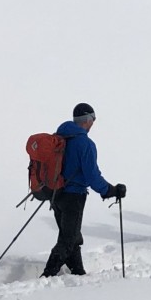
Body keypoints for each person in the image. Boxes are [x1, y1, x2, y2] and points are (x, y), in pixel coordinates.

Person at [43, 103, 126, 277]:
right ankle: (47, 275)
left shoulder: (60, 137)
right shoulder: (85, 144)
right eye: (93, 119)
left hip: (55, 194)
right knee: (68, 238)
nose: (94, 123)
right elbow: (92, 176)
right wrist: (110, 190)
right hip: (74, 196)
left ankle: (78, 272)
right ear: (87, 120)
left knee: (71, 235)